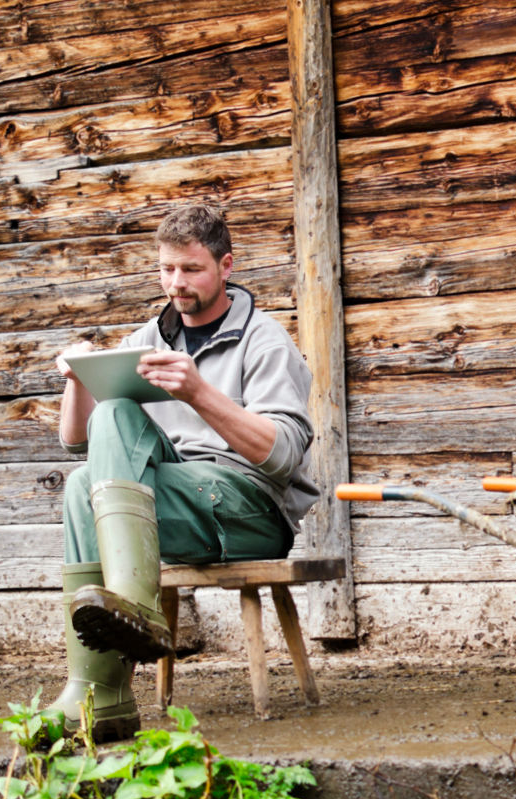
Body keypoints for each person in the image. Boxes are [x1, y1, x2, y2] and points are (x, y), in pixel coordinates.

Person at [45, 203, 319, 741]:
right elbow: (77, 440)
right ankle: (99, 696)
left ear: (225, 266)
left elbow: (283, 454)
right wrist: (77, 378)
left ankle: (134, 603)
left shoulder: (263, 340)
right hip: (175, 504)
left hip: (249, 507)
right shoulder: (149, 337)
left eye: (191, 269)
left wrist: (197, 392)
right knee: (83, 478)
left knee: (100, 462)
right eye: (167, 269)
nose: (177, 283)